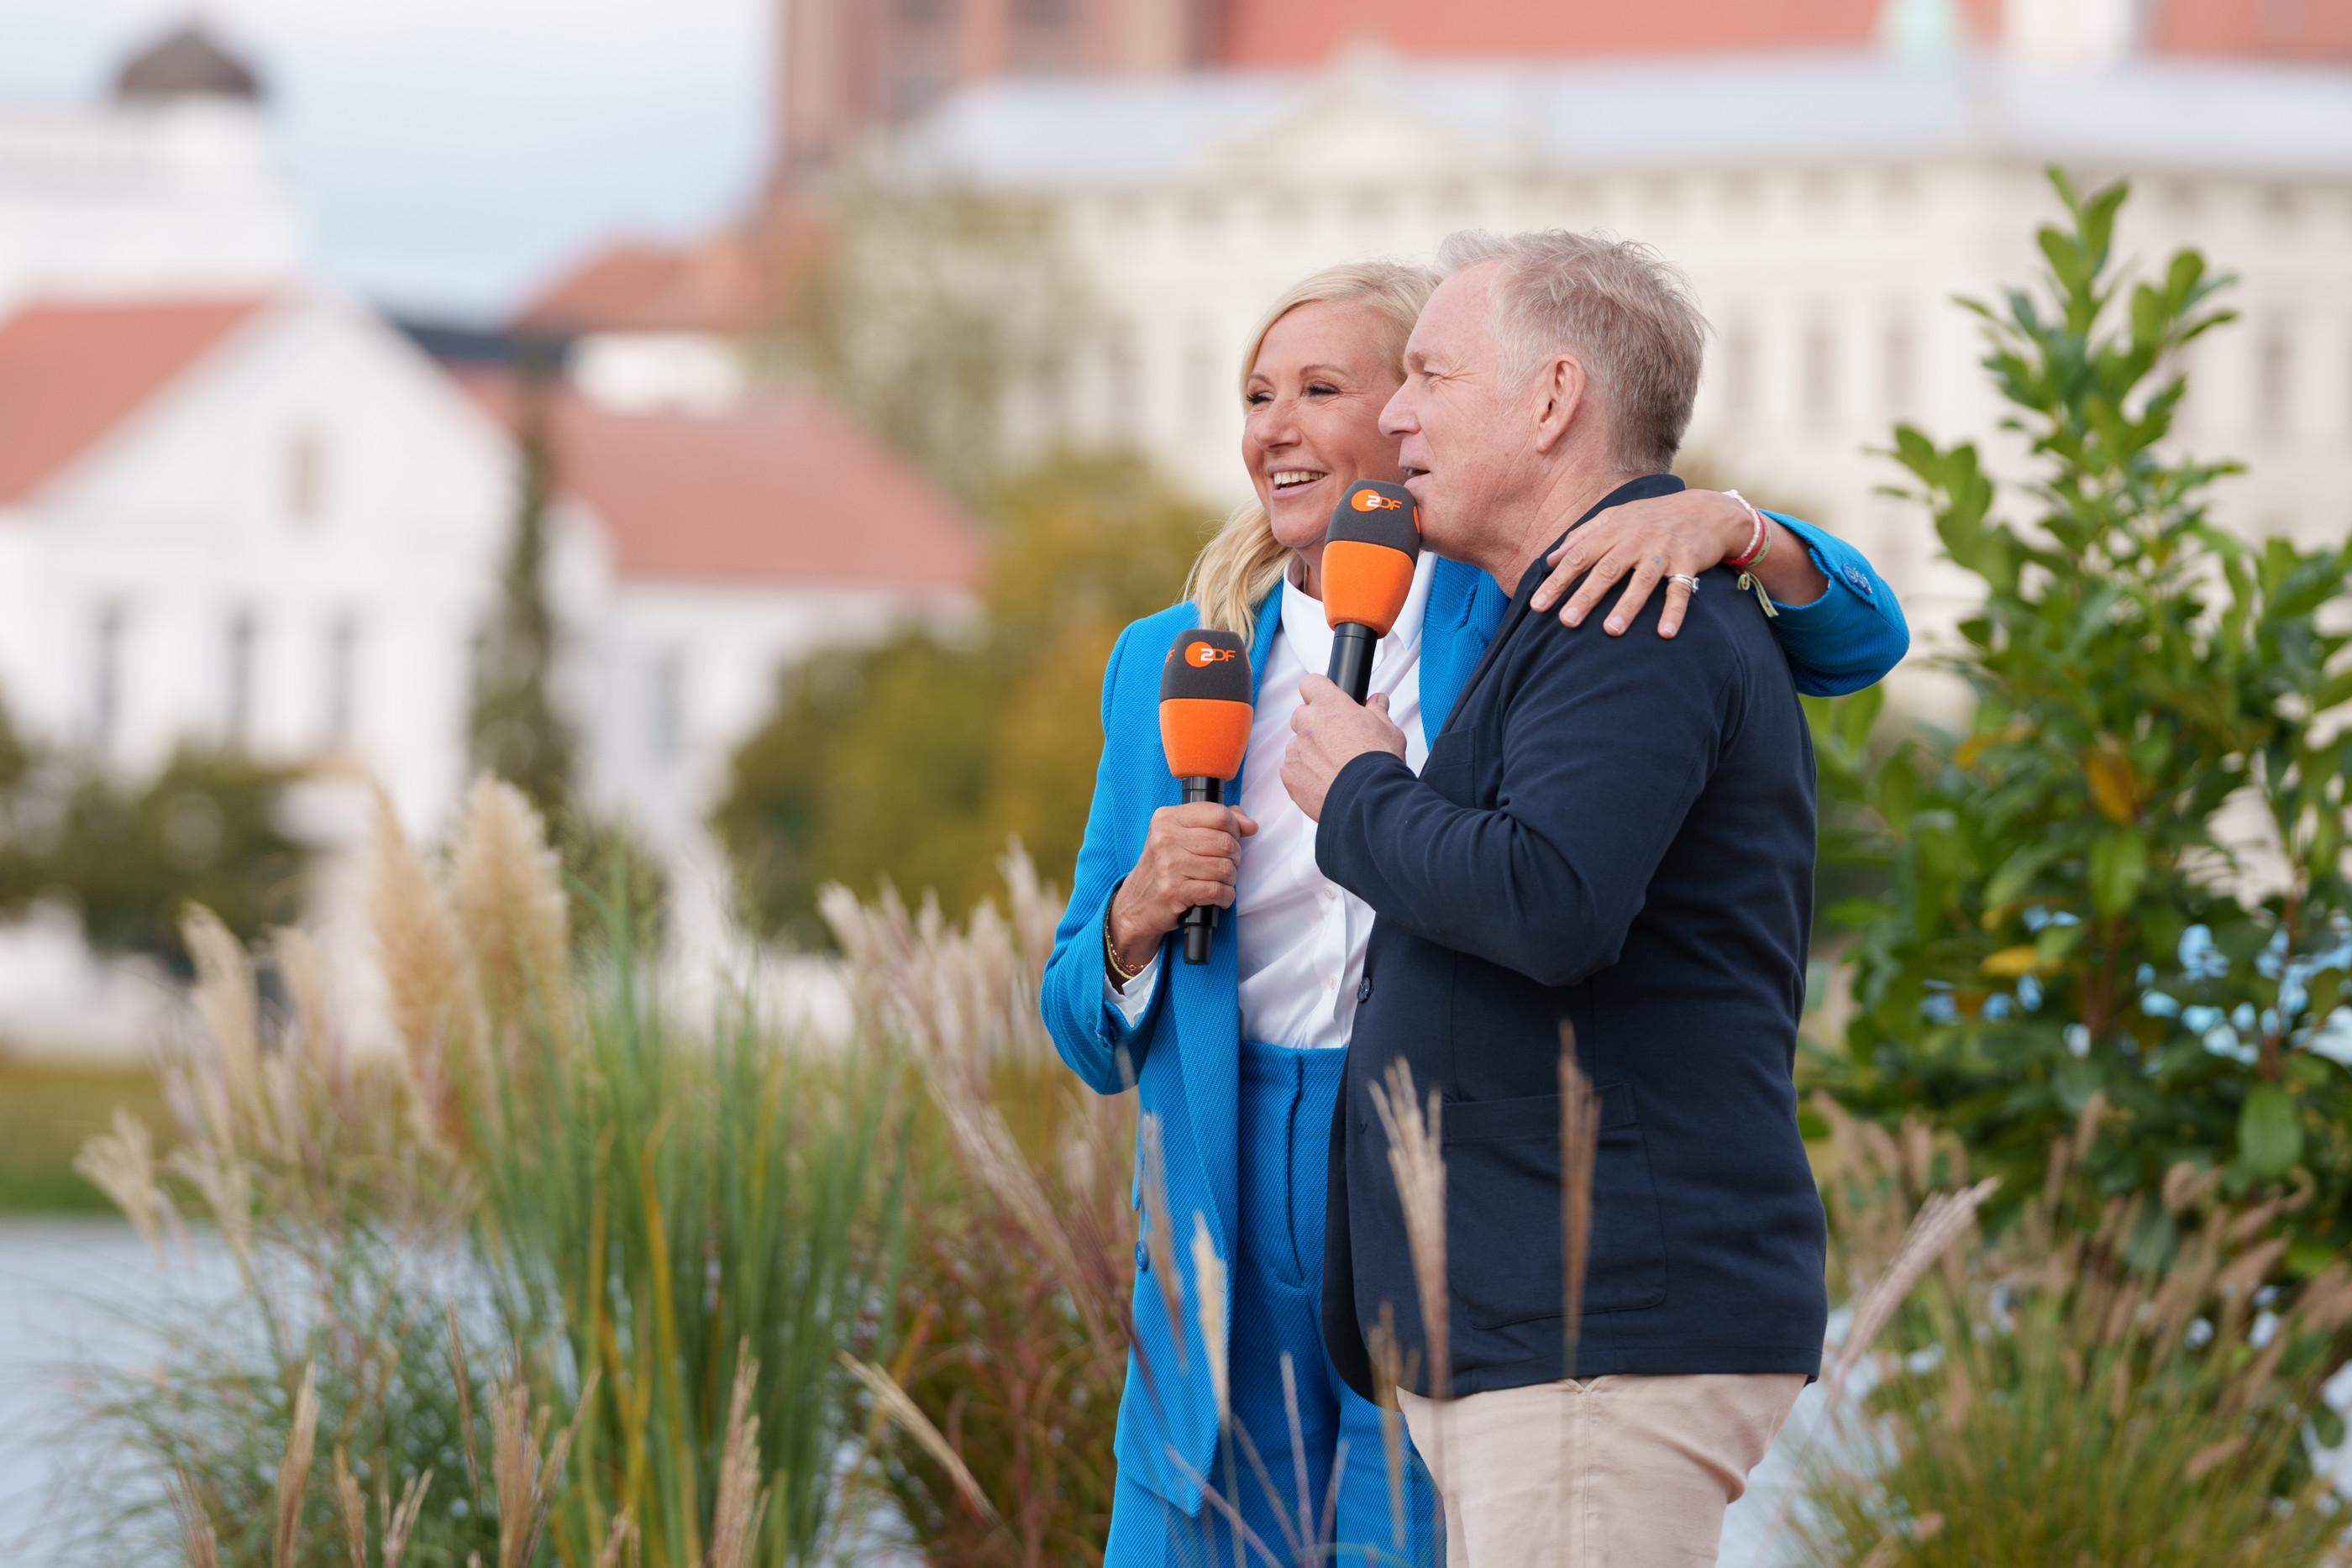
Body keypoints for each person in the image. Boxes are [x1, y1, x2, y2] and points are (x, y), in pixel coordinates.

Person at [1040, 257, 1903, 1566]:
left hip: (1456, 1178)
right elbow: (1076, 1023)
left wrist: (1739, 525)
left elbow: (1850, 646)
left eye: (1327, 388)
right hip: (1229, 1172)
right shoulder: (1174, 655)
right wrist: (1132, 923)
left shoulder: (1537, 592)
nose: (1275, 426)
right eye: (1256, 393)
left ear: (1411, 415)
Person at [1281, 229, 1831, 1568]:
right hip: (1553, 1328)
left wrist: (1360, 793)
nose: (1392, 415)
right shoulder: (1584, 607)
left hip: (1597, 1328)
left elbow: (1550, 901)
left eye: (1429, 376)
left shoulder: (1629, 611)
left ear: (1551, 402)